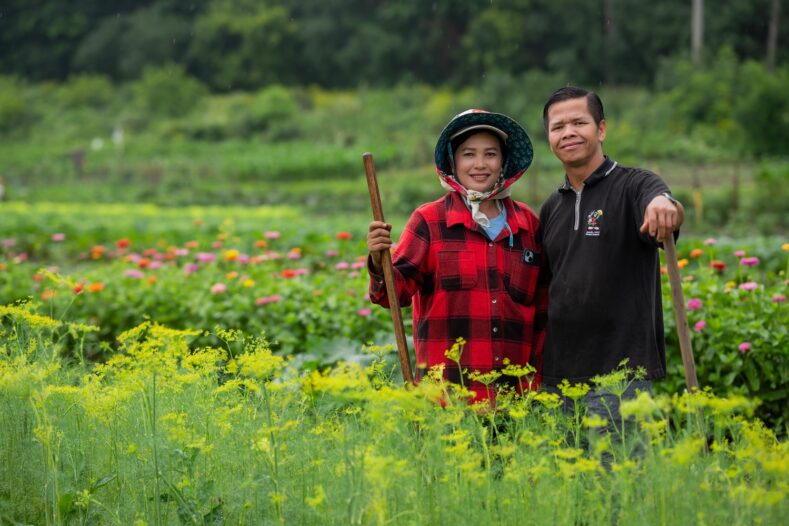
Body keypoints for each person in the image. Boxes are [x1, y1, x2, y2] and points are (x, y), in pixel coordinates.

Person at [367, 109, 548, 403]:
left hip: (515, 405)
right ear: (453, 162)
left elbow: (543, 313)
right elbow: (392, 294)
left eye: (490, 154)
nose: (480, 164)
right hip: (446, 401)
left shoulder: (528, 226)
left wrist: (535, 386)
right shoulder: (429, 221)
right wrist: (378, 259)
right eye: (468, 154)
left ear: (503, 162)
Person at [538, 86, 684, 442]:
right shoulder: (551, 208)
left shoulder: (635, 185)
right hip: (558, 377)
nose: (568, 132)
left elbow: (663, 203)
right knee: (568, 486)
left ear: (601, 129)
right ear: (549, 138)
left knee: (619, 483)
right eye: (558, 127)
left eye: (578, 122)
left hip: (619, 375)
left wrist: (667, 207)